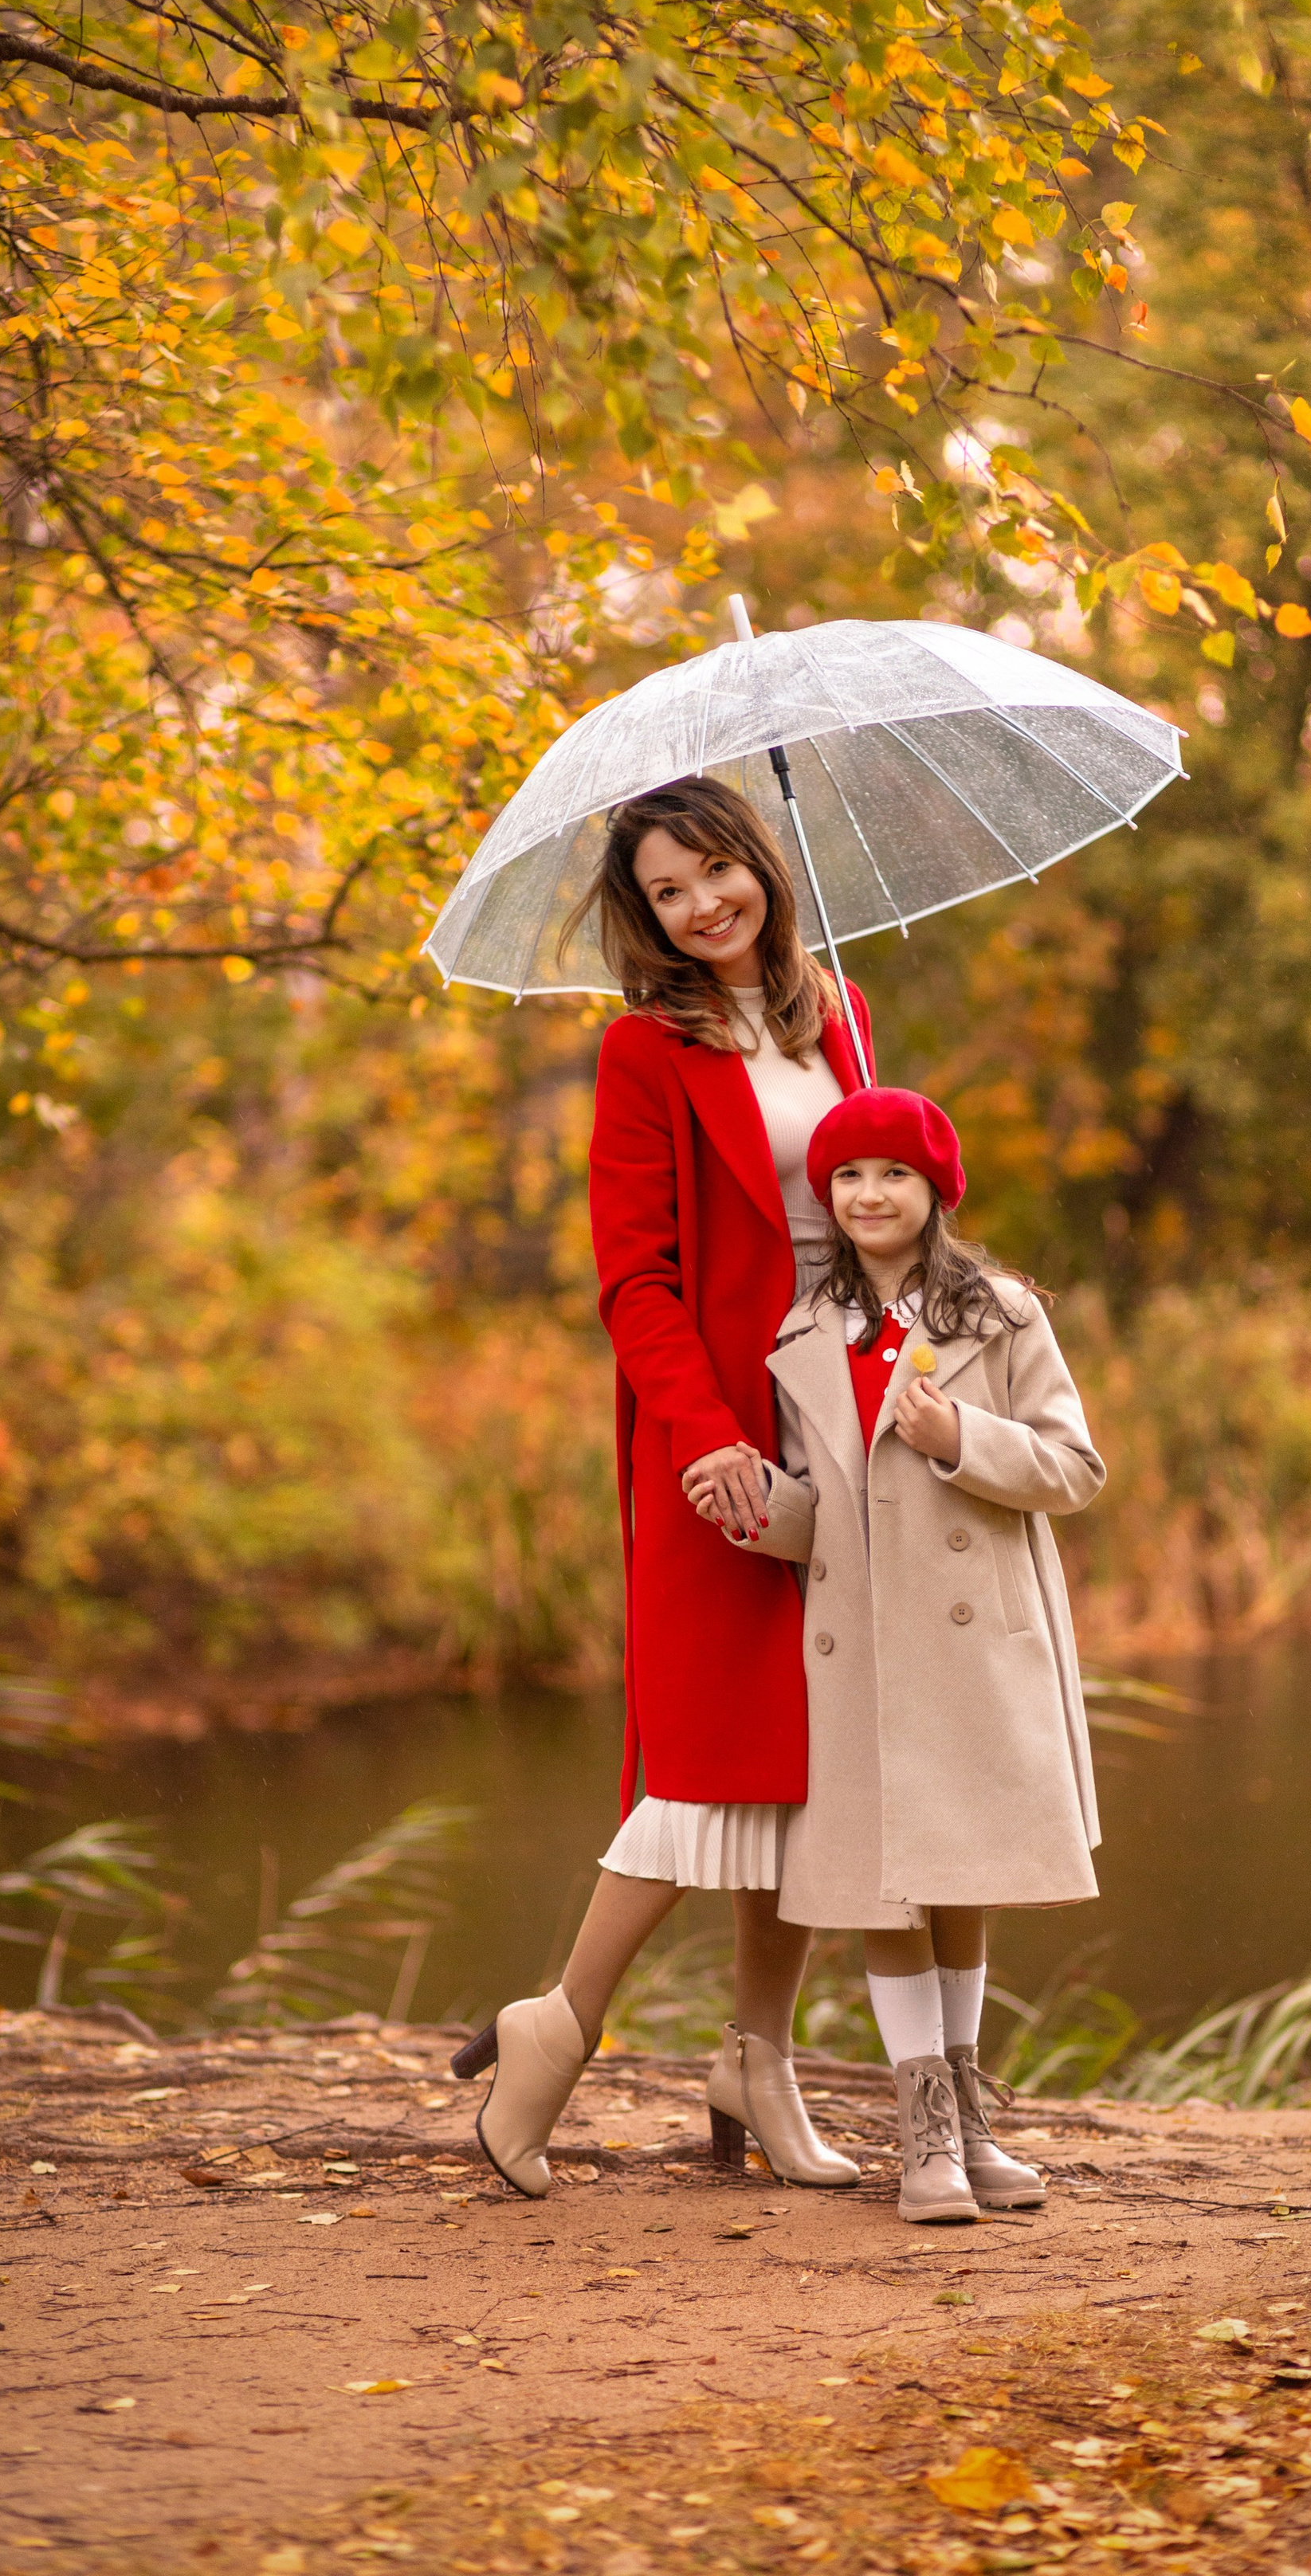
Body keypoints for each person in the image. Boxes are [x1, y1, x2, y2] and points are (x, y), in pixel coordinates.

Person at [453, 775, 875, 2196]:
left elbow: (881, 1205)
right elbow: (633, 1277)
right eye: (667, 892)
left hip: (845, 1418)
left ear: (759, 860)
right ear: (645, 917)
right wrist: (702, 1438)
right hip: (718, 1433)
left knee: (811, 1767)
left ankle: (757, 2058)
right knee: (701, 1762)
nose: (703, 907)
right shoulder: (644, 1053)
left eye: (716, 873)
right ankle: (553, 2033)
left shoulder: (843, 1015)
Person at [703, 1084, 1105, 2224]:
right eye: (847, 1177)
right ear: (825, 1198)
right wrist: (746, 1505)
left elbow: (1074, 1471)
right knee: (886, 1886)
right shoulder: (801, 1336)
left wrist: (960, 1438)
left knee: (962, 1874)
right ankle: (924, 2140)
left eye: (893, 1176)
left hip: (972, 1646)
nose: (869, 1195)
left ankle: (970, 2124)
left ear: (936, 1193)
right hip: (862, 1653)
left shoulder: (1006, 1316)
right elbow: (817, 1516)